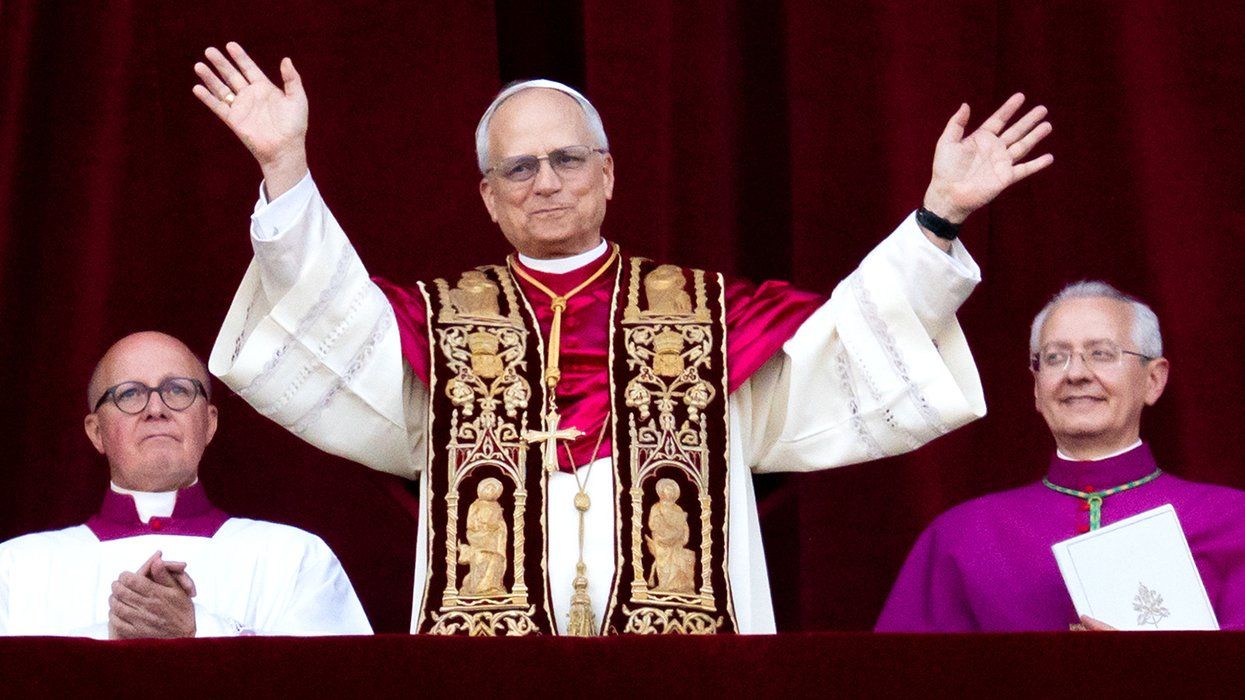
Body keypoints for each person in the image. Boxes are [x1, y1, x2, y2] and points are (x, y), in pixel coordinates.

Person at [192, 42, 1052, 635]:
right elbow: (327, 319)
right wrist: (285, 169)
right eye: (518, 168)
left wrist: (938, 217)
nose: (546, 183)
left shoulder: (713, 320)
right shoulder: (440, 328)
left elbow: (849, 347)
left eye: (567, 160)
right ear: (488, 196)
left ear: (607, 174)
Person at [876, 282, 1245, 632]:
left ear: (1153, 380)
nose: (1076, 373)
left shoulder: (1233, 521)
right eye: (1055, 358)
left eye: (1101, 354)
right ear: (1037, 388)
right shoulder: (961, 536)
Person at [0, 332, 372, 638]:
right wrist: (116, 634)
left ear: (209, 423)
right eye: (129, 394)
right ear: (96, 432)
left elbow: (334, 683)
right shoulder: (16, 568)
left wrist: (199, 631)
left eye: (177, 390)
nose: (155, 409)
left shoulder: (295, 558)